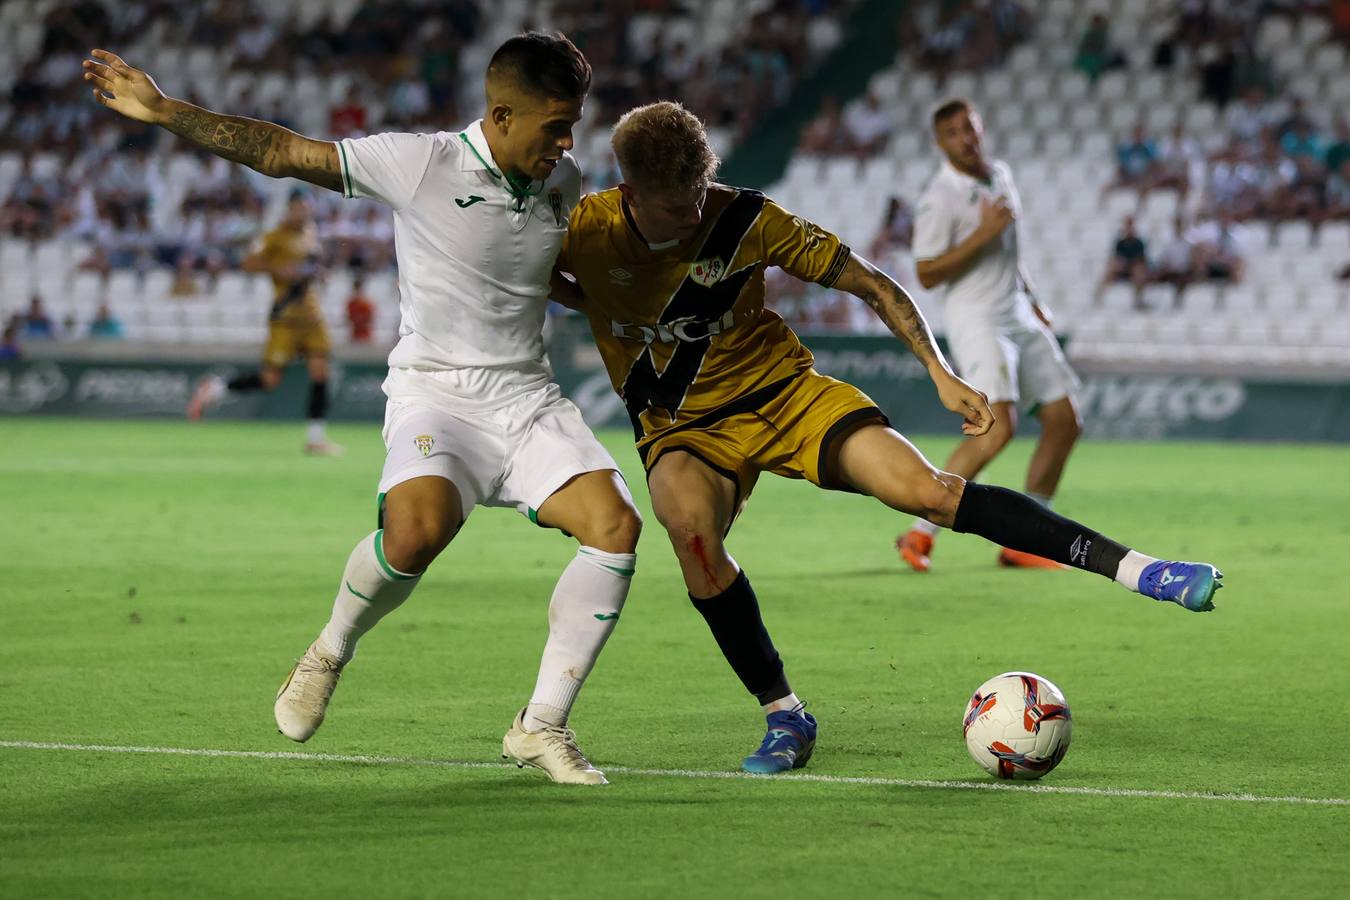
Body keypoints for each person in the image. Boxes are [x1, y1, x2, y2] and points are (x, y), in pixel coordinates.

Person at [553, 100, 1223, 776]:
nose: (694, 213)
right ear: (629, 191)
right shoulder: (583, 230)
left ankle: (1145, 571)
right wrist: (596, 306)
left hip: (786, 395)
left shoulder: (744, 218)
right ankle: (786, 715)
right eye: (676, 206)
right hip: (683, 426)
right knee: (692, 537)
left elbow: (870, 282)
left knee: (930, 493)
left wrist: (940, 371)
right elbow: (520, 276)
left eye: (701, 193)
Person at [84, 33, 643, 786]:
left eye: (573, 123)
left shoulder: (563, 180)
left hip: (526, 395)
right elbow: (285, 152)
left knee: (616, 529)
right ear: (503, 114)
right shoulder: (421, 164)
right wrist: (165, 111)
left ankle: (541, 726)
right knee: (415, 536)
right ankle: (328, 651)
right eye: (555, 124)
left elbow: (541, 275)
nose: (568, 142)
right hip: (437, 393)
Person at [897, 99, 1087, 572]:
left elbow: (1010, 252)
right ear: (940, 142)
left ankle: (1028, 541)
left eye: (971, 128)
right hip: (977, 317)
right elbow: (925, 273)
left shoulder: (999, 174)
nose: (966, 138)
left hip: (1018, 312)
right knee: (997, 426)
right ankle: (920, 533)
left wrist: (1033, 296)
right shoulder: (938, 197)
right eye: (955, 132)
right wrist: (981, 234)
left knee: (1065, 420)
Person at [183, 191, 343, 456]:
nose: (303, 213)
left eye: (306, 208)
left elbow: (310, 267)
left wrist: (318, 272)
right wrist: (278, 270)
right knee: (270, 380)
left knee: (321, 371)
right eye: (299, 208)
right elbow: (248, 263)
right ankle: (217, 387)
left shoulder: (311, 234)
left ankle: (315, 438)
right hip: (285, 317)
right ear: (289, 209)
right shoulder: (273, 236)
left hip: (312, 315)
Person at [346, 274, 375, 344]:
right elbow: (348, 318)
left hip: (365, 335)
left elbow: (370, 318)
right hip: (354, 334)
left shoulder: (366, 303)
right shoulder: (351, 303)